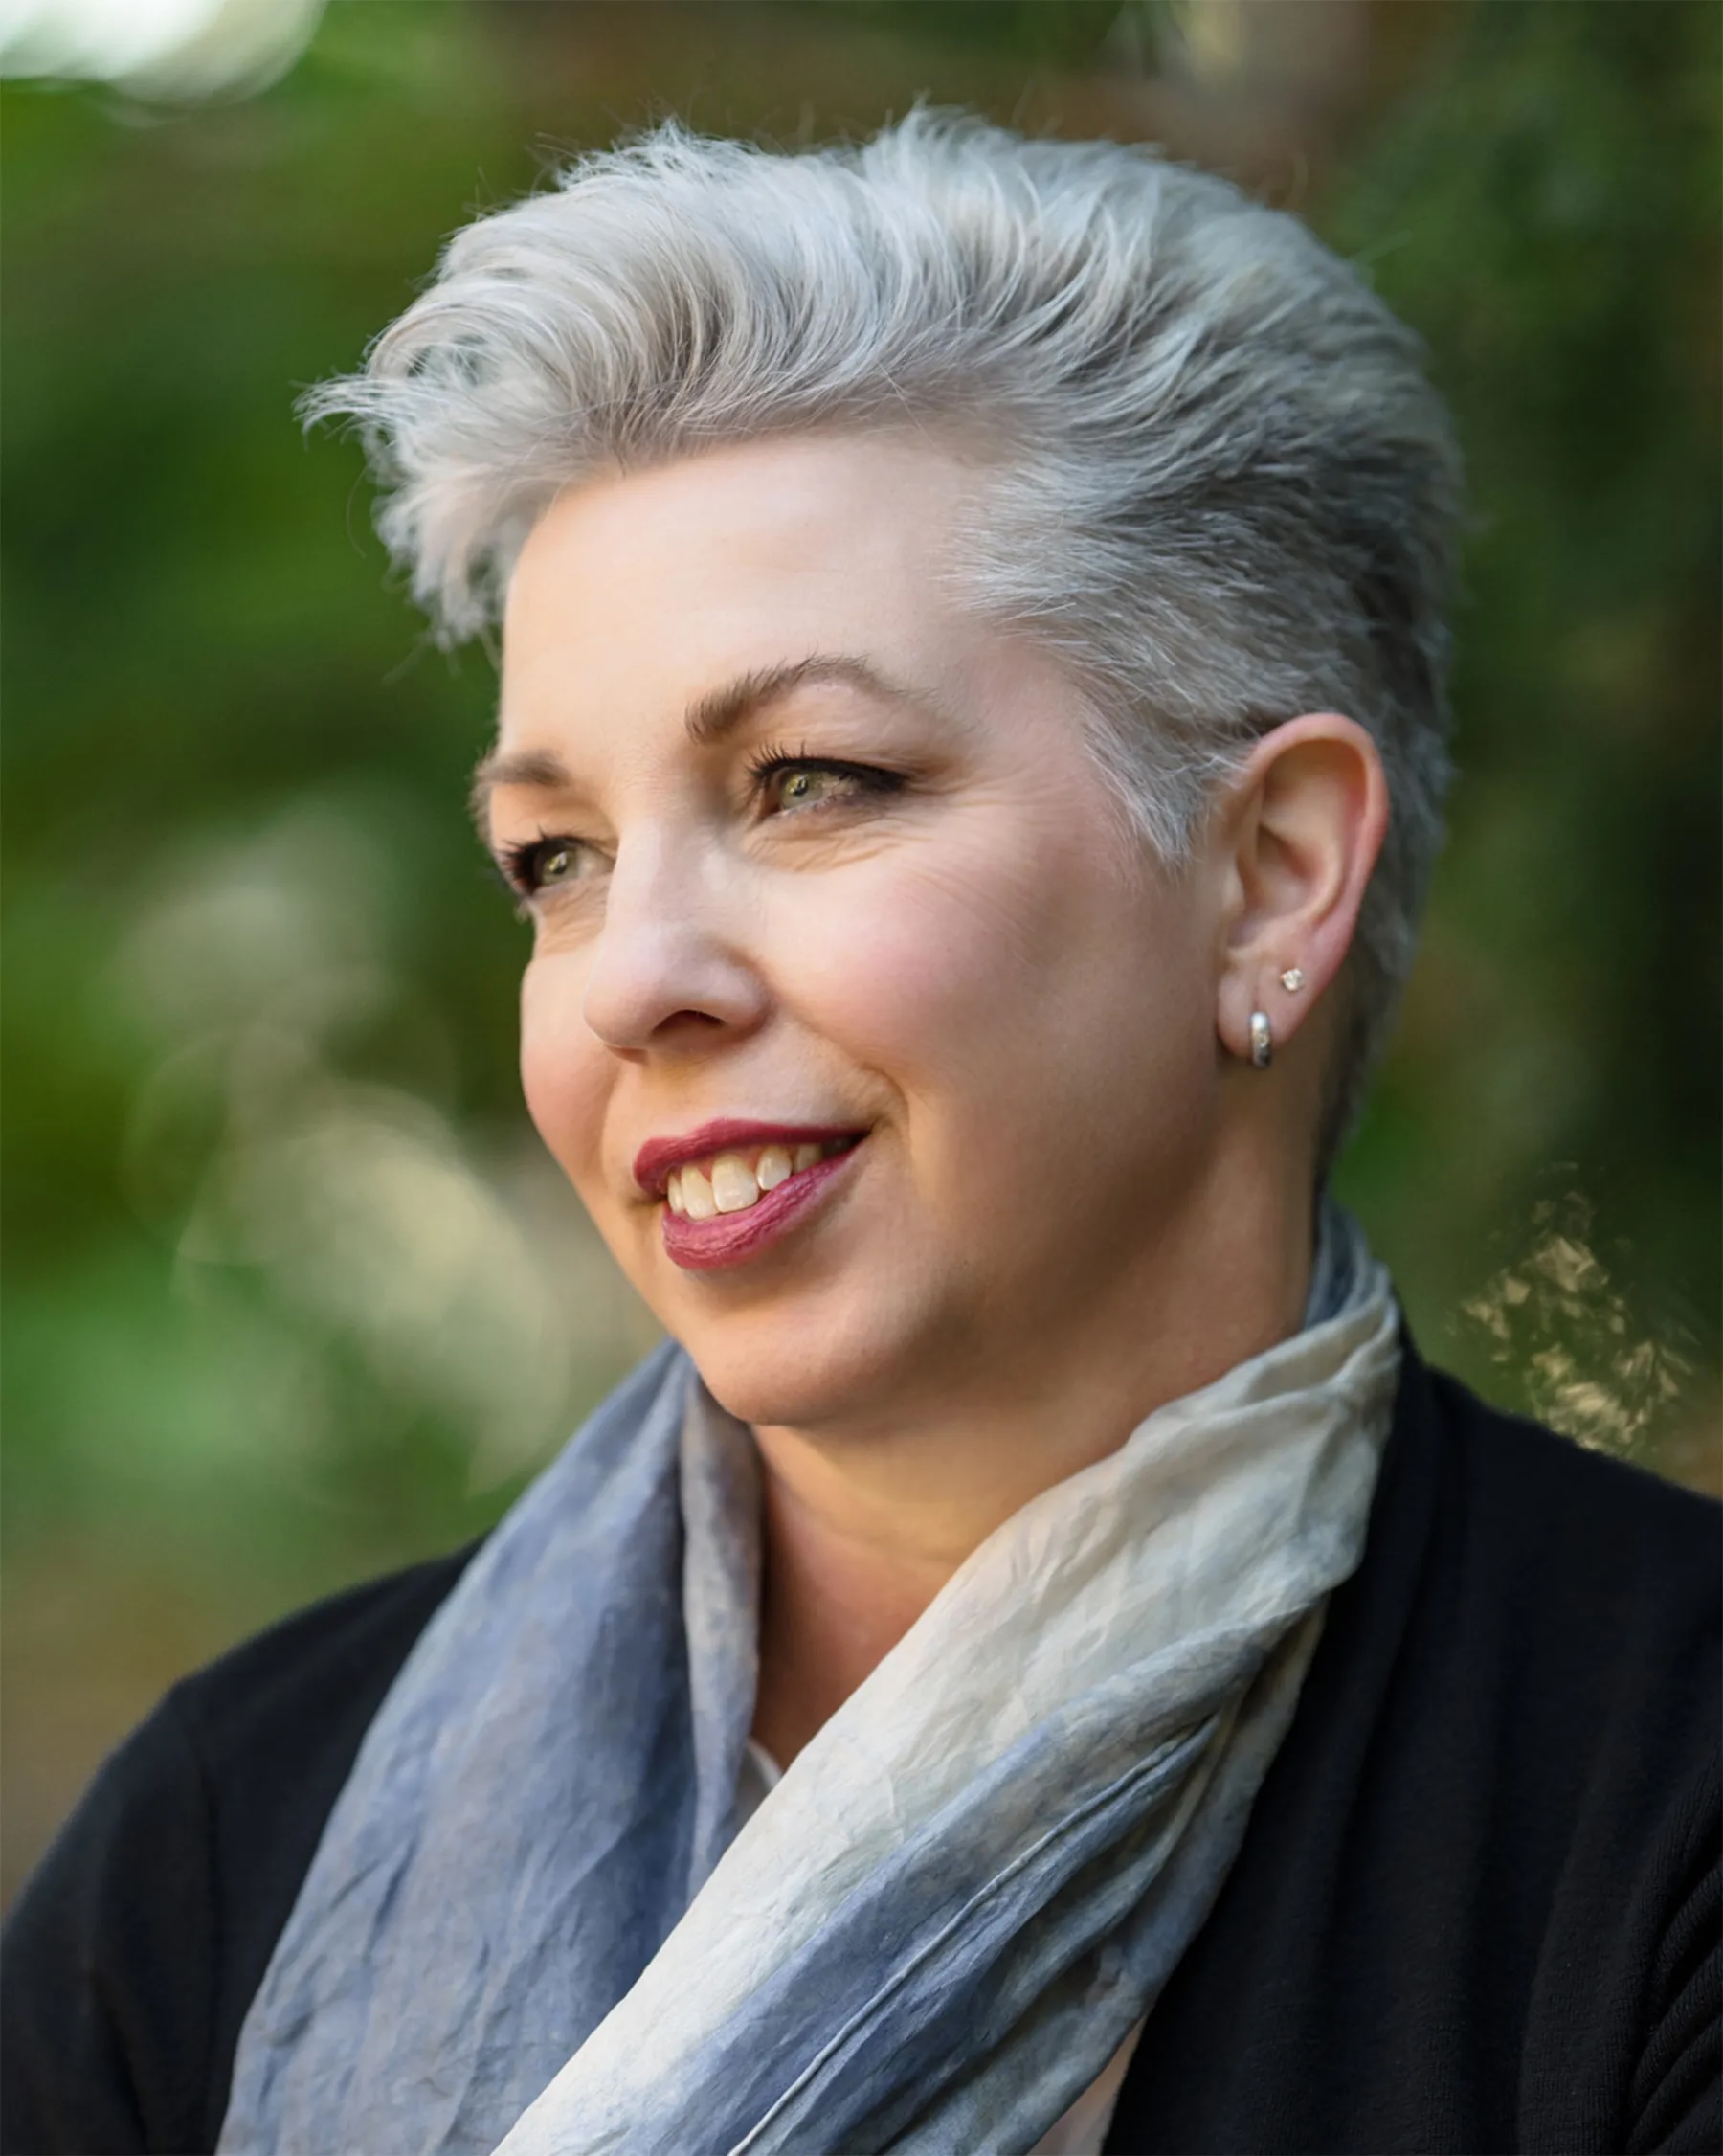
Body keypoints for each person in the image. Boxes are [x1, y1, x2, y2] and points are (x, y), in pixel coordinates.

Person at [3, 111, 1716, 2156]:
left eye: (811, 780)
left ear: (1266, 876)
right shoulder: (228, 1841)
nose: (635, 978)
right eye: (552, 854)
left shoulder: (1666, 1789)